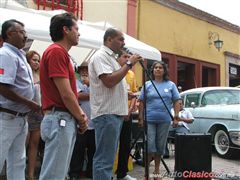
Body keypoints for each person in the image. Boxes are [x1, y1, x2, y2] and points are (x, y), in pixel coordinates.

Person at [39, 13, 88, 180]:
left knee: (57, 173)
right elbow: (66, 94)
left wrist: (79, 117)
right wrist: (81, 118)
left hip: (61, 118)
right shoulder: (56, 52)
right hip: (59, 117)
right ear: (65, 30)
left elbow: (68, 94)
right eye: (76, 29)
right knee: (54, 175)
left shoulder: (59, 53)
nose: (79, 33)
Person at [89, 28, 142, 180]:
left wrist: (126, 94)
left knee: (108, 157)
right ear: (109, 39)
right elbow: (109, 81)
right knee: (104, 159)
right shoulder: (100, 56)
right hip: (107, 114)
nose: (123, 43)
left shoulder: (112, 58)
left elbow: (112, 85)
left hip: (114, 114)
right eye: (120, 39)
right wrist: (129, 64)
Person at [0, 19, 40, 180]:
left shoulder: (20, 55)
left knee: (18, 161)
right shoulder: (6, 54)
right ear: (10, 34)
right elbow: (2, 87)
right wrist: (29, 102)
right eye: (22, 32)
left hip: (20, 118)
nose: (25, 36)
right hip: (7, 117)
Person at [138, 61, 181, 179]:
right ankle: (147, 171)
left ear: (164, 70)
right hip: (150, 119)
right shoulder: (147, 85)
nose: (157, 69)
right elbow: (141, 102)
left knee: (160, 146)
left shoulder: (171, 85)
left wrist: (176, 117)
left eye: (160, 68)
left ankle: (157, 171)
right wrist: (140, 117)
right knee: (150, 146)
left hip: (165, 120)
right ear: (152, 70)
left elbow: (177, 101)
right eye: (155, 67)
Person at [69, 64, 95, 179]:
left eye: (87, 70)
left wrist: (91, 86)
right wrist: (95, 94)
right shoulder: (76, 82)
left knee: (93, 150)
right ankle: (74, 174)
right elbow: (78, 96)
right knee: (78, 150)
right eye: (82, 70)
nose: (84, 72)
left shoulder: (95, 82)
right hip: (81, 122)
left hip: (94, 123)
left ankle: (91, 172)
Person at [115, 50, 137, 180]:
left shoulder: (131, 74)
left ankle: (122, 173)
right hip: (115, 113)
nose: (128, 59)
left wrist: (129, 111)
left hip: (127, 114)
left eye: (129, 57)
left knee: (125, 144)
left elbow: (134, 93)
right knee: (112, 145)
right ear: (118, 59)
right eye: (125, 57)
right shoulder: (115, 72)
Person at [26, 50, 42, 180]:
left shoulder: (41, 76)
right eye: (34, 60)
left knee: (34, 144)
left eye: (38, 60)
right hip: (25, 112)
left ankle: (31, 174)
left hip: (38, 113)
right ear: (28, 60)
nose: (36, 62)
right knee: (22, 144)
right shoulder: (25, 74)